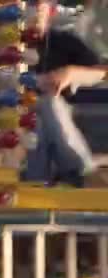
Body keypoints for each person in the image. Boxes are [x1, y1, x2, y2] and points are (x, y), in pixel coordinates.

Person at [25, 0, 103, 186]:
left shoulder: (63, 42)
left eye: (38, 7)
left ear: (50, 12)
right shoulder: (3, 49)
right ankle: (85, 173)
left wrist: (72, 73)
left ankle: (35, 187)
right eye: (28, 6)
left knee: (47, 110)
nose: (33, 13)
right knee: (42, 112)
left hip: (59, 117)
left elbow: (102, 72)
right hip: (14, 119)